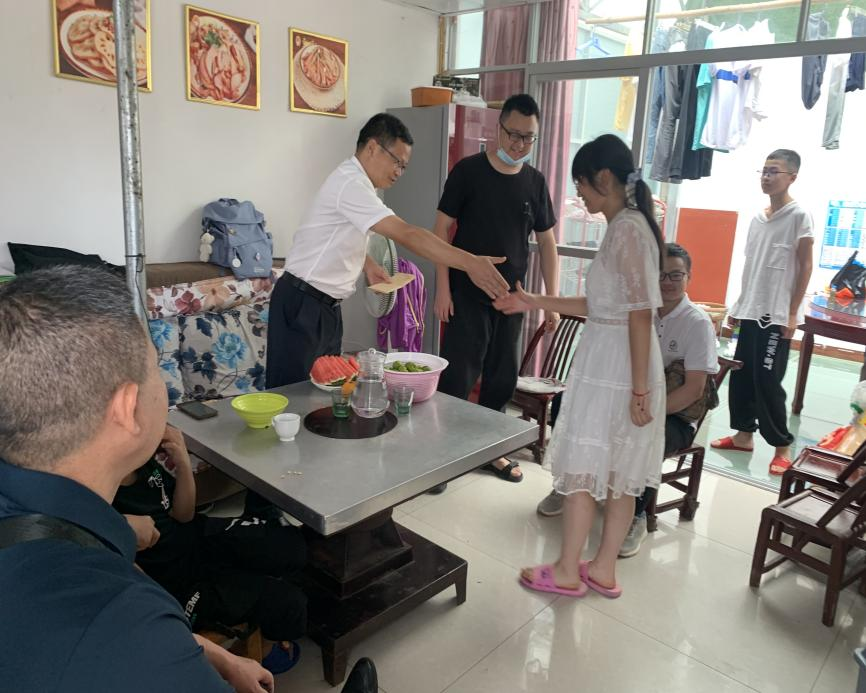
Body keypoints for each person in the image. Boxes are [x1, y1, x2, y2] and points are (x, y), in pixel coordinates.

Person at [0, 266, 378, 693]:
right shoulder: (130, 635)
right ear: (127, 408)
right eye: (156, 370)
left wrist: (217, 654)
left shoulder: (45, 527)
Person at [495, 134, 665, 598]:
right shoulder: (627, 226)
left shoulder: (628, 229)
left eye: (582, 184)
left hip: (618, 366)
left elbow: (639, 314)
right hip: (619, 358)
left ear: (604, 178)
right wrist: (534, 300)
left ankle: (569, 569)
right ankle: (602, 569)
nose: (580, 195)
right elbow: (601, 306)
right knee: (618, 473)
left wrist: (638, 390)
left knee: (586, 470)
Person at [267, 113, 510, 389]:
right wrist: (470, 262)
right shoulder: (351, 184)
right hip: (303, 304)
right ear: (372, 147)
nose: (399, 172)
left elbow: (337, 235)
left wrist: (368, 264)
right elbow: (408, 234)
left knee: (326, 393)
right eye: (397, 162)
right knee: (292, 396)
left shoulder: (360, 186)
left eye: (404, 167)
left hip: (325, 308)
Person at [536, 243, 719, 559]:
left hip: (672, 415)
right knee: (566, 403)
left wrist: (646, 412)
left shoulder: (697, 323)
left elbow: (693, 389)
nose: (667, 282)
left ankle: (637, 514)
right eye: (660, 274)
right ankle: (570, 484)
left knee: (642, 433)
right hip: (627, 401)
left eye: (676, 275)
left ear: (688, 277)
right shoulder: (638, 310)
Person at [432, 93, 559, 485]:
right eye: (513, 134)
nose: (519, 144)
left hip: (512, 299)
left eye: (528, 137)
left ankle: (491, 452)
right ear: (498, 128)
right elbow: (440, 231)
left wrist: (550, 301)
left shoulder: (535, 182)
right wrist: (442, 289)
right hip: (466, 294)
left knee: (501, 378)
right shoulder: (468, 172)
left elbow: (548, 243)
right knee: (458, 377)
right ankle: (442, 456)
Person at [113, 424, 308, 676]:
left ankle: (255, 579)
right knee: (289, 603)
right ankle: (268, 647)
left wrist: (183, 461)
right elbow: (130, 579)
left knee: (291, 546)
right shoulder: (101, 497)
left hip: (196, 537)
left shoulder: (143, 463)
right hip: (176, 582)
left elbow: (184, 516)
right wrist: (123, 527)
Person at [710, 149, 814, 475]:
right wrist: (739, 306)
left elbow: (805, 266)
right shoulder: (757, 218)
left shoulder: (799, 216)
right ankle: (743, 436)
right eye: (764, 171)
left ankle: (782, 446)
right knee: (741, 374)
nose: (766, 177)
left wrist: (792, 313)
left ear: (792, 177)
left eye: (774, 171)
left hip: (776, 315)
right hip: (750, 310)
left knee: (768, 380)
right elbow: (751, 267)